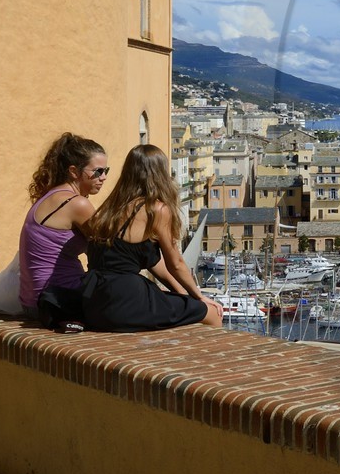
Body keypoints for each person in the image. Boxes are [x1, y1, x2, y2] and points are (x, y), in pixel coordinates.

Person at [81, 144, 221, 331]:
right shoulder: (155, 210)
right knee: (212, 314)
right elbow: (176, 263)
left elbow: (153, 262)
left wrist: (182, 294)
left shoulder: (110, 208)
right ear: (159, 174)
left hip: (94, 300)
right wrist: (200, 297)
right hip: (124, 301)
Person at [18, 133, 108, 325]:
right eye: (98, 172)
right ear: (74, 172)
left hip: (34, 302)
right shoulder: (77, 204)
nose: (104, 177)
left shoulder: (51, 195)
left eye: (106, 170)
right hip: (57, 301)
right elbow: (111, 244)